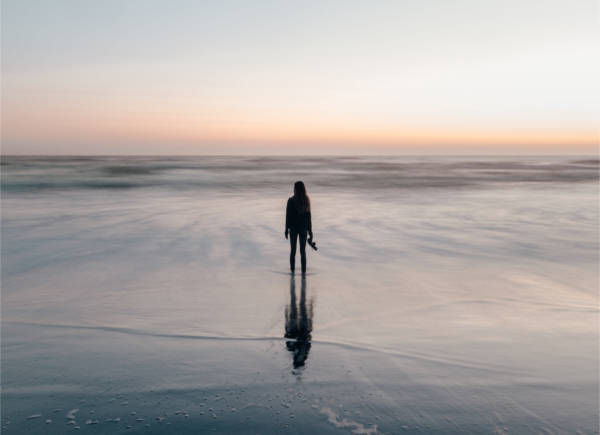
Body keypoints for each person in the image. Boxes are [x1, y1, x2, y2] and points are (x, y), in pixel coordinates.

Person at [285, 181, 313, 274]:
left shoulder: (291, 201)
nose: (293, 190)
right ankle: (303, 273)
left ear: (296, 189)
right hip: (303, 229)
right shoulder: (306, 200)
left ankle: (292, 272)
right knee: (302, 252)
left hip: (293, 229)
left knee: (293, 251)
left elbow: (287, 216)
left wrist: (286, 229)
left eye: (294, 188)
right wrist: (310, 231)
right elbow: (309, 217)